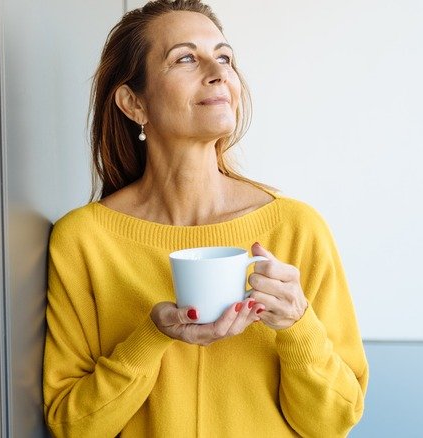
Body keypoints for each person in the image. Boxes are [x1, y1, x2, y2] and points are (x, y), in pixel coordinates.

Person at [42, 1, 368, 436]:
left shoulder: (297, 229)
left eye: (225, 57)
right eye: (186, 58)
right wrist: (151, 338)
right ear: (133, 102)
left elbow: (332, 423)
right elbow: (73, 425)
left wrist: (297, 326)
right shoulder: (82, 240)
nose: (218, 72)